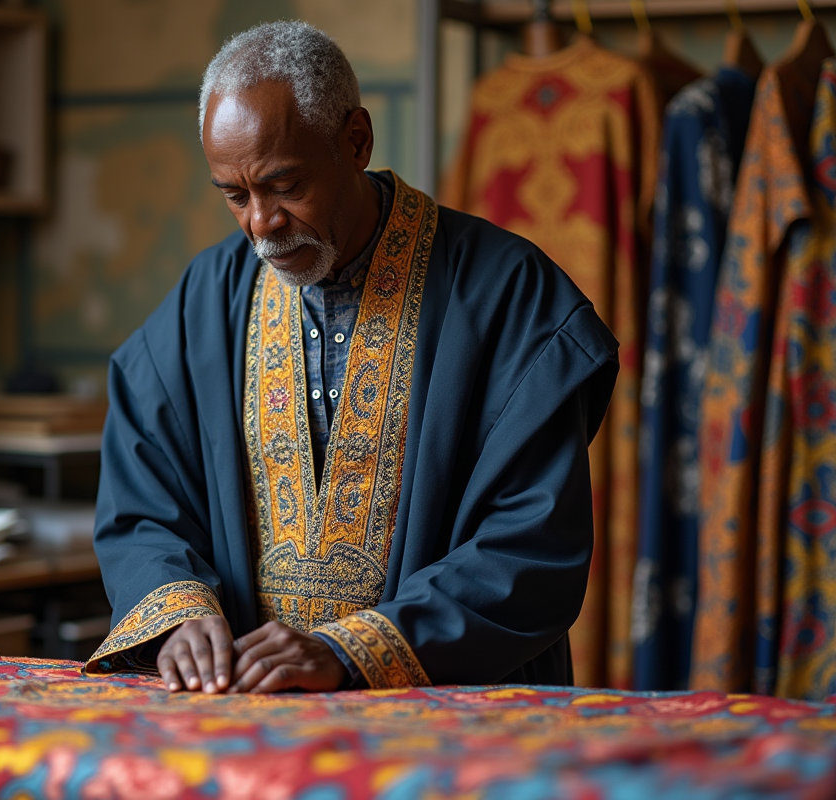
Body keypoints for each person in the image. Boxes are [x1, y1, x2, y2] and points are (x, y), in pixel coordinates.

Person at [83, 21, 618, 694]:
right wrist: (181, 613)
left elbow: (529, 545)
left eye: (284, 184)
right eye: (235, 195)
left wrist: (349, 651)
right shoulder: (206, 298)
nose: (261, 223)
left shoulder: (508, 294)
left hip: (450, 722)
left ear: (356, 141)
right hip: (252, 719)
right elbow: (144, 499)